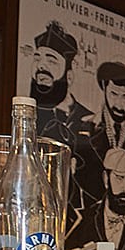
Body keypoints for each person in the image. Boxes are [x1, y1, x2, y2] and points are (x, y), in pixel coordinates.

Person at [28, 22, 94, 153]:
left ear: (69, 76)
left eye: (51, 60)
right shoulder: (27, 120)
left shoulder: (88, 119)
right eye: (37, 58)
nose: (41, 66)